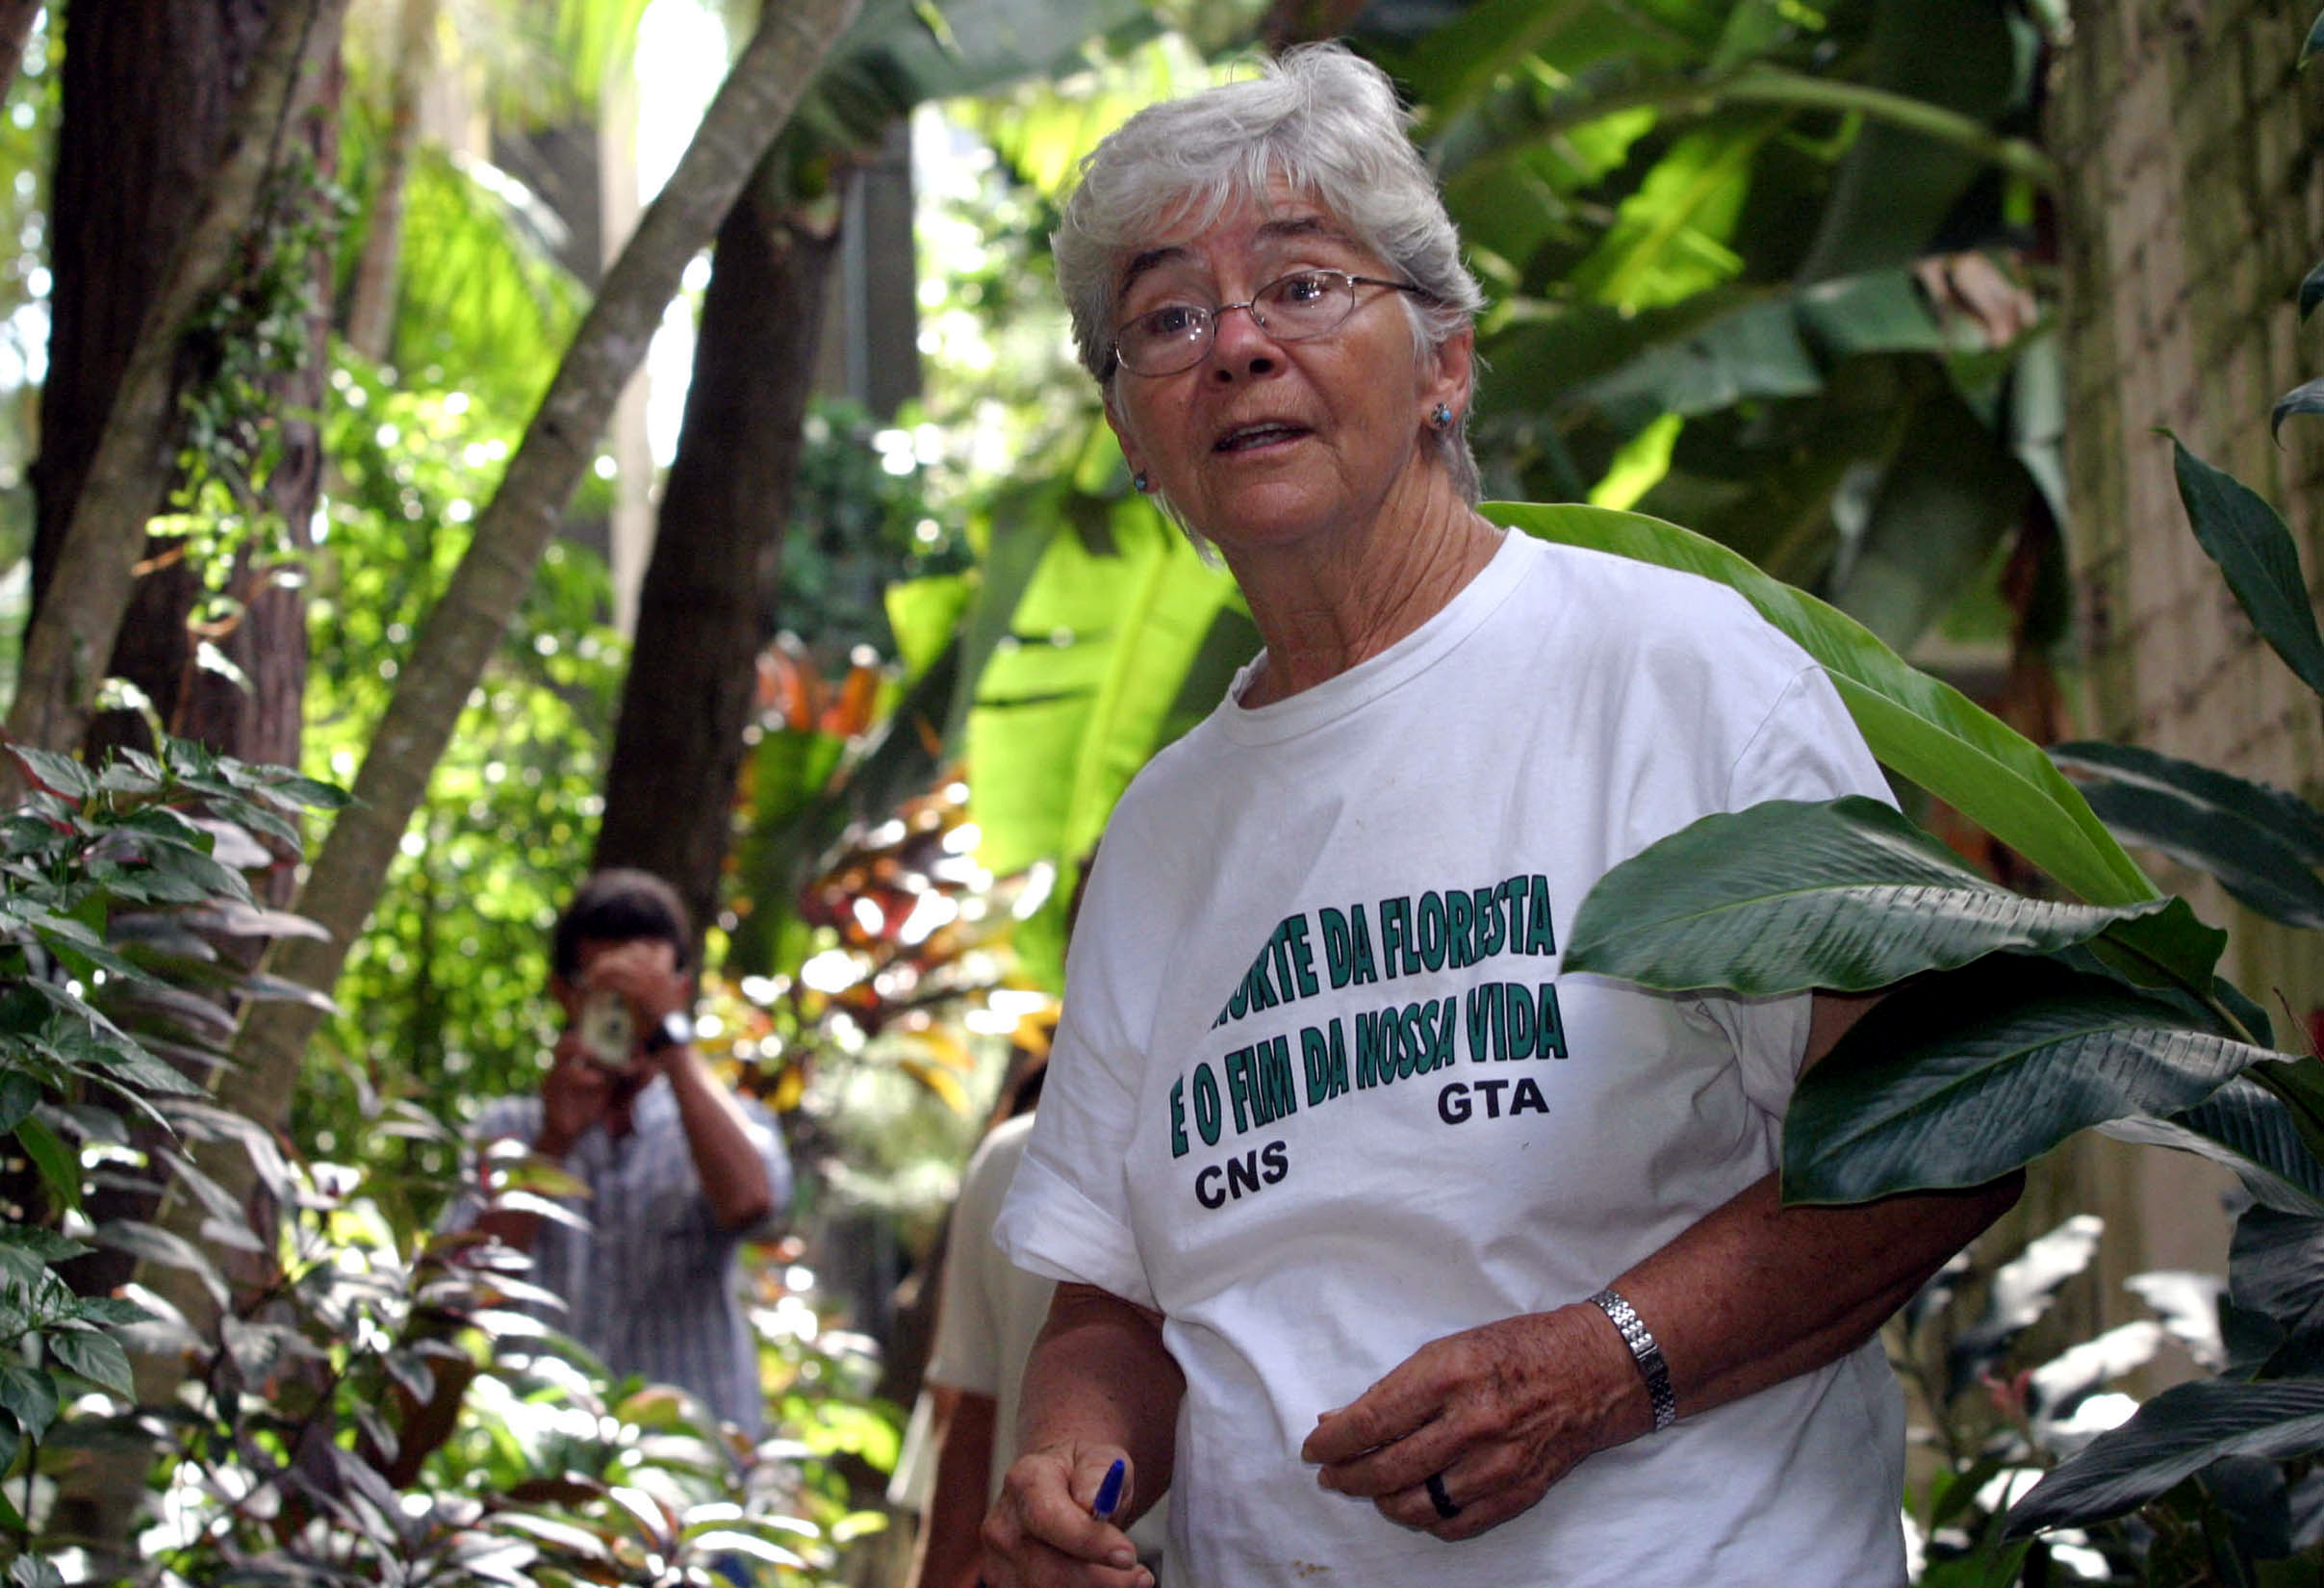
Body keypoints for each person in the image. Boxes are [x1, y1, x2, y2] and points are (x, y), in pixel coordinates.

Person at [979, 43, 2023, 1588]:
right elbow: (1113, 1305)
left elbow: (1947, 1120)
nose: (1237, 348)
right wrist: (1075, 1472)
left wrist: (1604, 1362)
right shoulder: (1159, 831)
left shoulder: (1679, 670)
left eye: (1304, 286)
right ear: (1136, 436)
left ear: (1447, 363)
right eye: (1165, 318)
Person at [451, 868, 792, 1440]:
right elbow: (464, 1287)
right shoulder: (511, 1128)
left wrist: (672, 1042)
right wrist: (551, 1146)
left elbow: (753, 1204)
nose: (630, 1017)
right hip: (541, 1461)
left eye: (646, 998)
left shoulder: (729, 1125)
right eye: (612, 995)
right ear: (565, 992)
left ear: (679, 991)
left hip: (690, 1472)